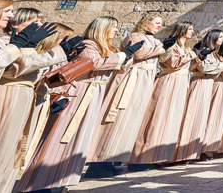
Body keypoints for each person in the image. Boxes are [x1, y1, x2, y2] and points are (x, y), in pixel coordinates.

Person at [16, 16, 141, 192]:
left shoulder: (106, 47)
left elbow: (115, 69)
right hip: (80, 92)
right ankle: (39, 182)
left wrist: (126, 57)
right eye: (113, 27)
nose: (115, 30)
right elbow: (95, 64)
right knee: (62, 135)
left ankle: (59, 180)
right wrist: (122, 55)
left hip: (94, 94)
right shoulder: (89, 44)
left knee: (78, 138)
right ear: (101, 28)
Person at [0, 10, 78, 193]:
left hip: (25, 99)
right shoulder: (3, 42)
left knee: (14, 152)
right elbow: (12, 70)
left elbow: (36, 73)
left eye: (41, 21)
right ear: (17, 24)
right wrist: (55, 54)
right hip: (8, 97)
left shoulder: (24, 45)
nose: (39, 26)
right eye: (35, 22)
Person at [88, 11, 167, 174]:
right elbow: (139, 53)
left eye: (161, 23)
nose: (159, 26)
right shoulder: (135, 36)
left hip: (146, 80)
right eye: (156, 22)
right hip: (133, 78)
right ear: (146, 22)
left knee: (133, 119)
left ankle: (115, 156)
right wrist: (161, 49)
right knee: (118, 117)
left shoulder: (156, 41)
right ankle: (98, 160)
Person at [131, 21, 198, 164]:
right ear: (182, 30)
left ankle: (166, 155)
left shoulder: (185, 47)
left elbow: (188, 66)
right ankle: (147, 155)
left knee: (174, 117)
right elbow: (173, 64)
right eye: (190, 29)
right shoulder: (172, 45)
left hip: (182, 82)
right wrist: (192, 55)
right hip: (170, 80)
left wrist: (197, 57)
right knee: (161, 115)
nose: (192, 31)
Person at [174, 29, 223, 162]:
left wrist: (219, 66)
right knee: (192, 117)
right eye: (220, 37)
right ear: (214, 37)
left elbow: (214, 69)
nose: (222, 39)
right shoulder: (204, 49)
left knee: (203, 118)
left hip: (209, 83)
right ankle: (182, 152)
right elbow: (205, 68)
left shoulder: (215, 53)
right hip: (200, 82)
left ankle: (195, 150)